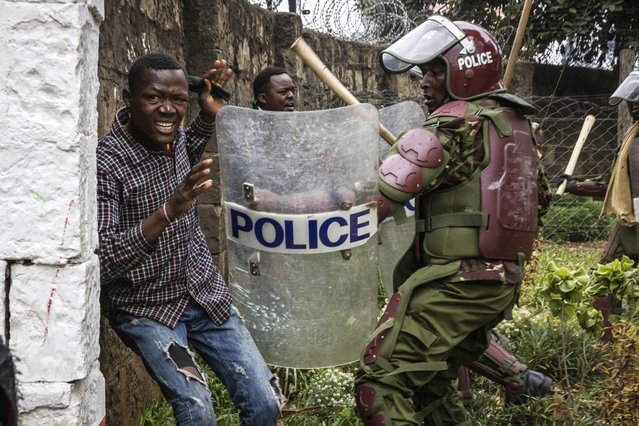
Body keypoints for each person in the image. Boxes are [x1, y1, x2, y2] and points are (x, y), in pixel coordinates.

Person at [354, 17, 552, 425]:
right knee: (432, 386)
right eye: (423, 71)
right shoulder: (518, 126)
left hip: (457, 278)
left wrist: (304, 209)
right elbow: (539, 202)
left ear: (466, 68)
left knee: (380, 381)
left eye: (435, 70)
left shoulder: (454, 122)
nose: (424, 81)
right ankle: (516, 381)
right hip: (501, 279)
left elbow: (378, 200)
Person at [96, 52, 282, 425]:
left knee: (266, 404)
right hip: (146, 308)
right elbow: (106, 260)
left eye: (177, 99)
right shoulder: (106, 162)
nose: (168, 110)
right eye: (154, 97)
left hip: (202, 291)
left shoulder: (174, 139)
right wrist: (166, 212)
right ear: (128, 98)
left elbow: (188, 144)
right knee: (198, 412)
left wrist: (208, 114)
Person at [562, 66, 639, 338]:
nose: (634, 107)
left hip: (635, 225)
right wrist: (576, 186)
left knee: (609, 277)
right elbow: (613, 185)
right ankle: (609, 339)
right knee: (608, 278)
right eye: (632, 101)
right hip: (630, 221)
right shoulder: (632, 138)